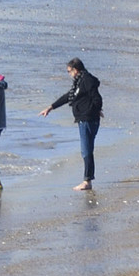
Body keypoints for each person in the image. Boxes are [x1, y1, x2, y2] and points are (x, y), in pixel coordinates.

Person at [42, 57, 103, 190]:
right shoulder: (79, 82)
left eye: (69, 71)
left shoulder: (86, 80)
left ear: (76, 70)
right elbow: (68, 96)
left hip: (87, 119)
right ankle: (88, 180)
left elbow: (97, 98)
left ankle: (87, 181)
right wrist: (51, 107)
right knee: (87, 150)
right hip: (85, 119)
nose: (69, 74)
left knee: (86, 150)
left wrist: (95, 110)